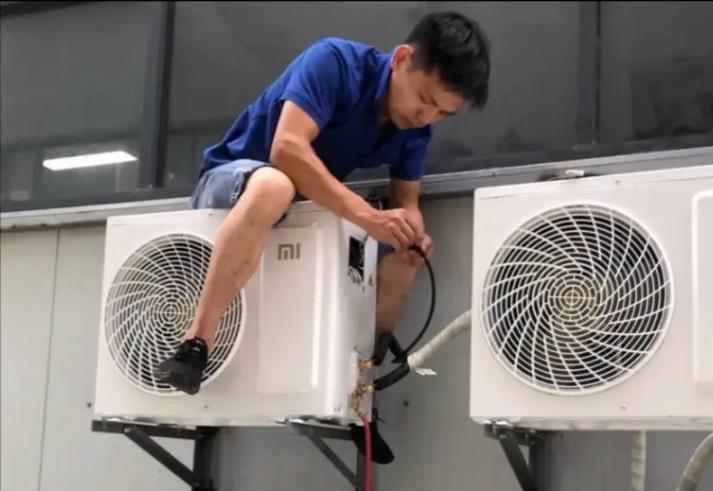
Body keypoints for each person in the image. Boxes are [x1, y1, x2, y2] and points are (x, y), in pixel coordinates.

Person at [155, 11, 491, 461]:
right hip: (231, 184)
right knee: (275, 184)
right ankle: (194, 345)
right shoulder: (333, 62)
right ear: (401, 59)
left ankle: (359, 397)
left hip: (296, 206)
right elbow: (286, 149)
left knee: (405, 253)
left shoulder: (416, 129)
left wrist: (412, 230)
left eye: (443, 113)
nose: (426, 116)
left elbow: (407, 201)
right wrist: (367, 217)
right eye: (425, 99)